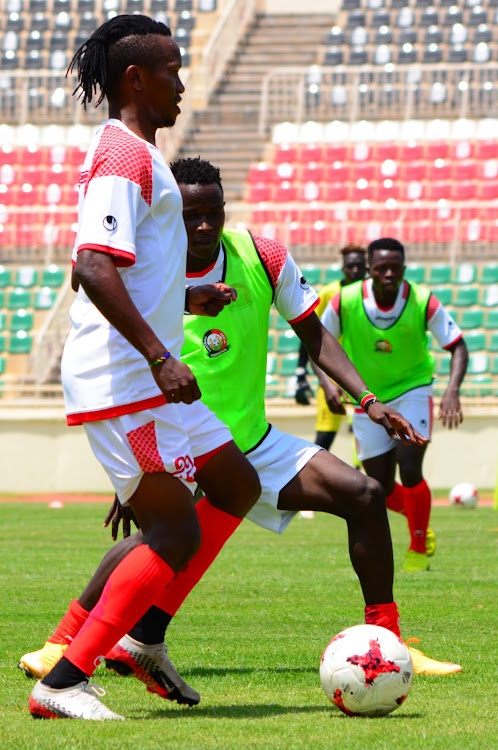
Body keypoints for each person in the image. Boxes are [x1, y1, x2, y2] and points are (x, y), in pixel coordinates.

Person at [21, 160, 462, 704]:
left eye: (213, 211)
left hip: (250, 443)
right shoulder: (148, 266)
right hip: (178, 435)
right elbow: (106, 325)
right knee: (157, 538)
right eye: (191, 215)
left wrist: (367, 400)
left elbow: (314, 335)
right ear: (169, 215)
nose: (203, 225)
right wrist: (128, 477)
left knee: (364, 494)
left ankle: (388, 638)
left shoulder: (262, 255)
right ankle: (64, 646)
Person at [27, 16, 262, 721]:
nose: (182, 84)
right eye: (172, 71)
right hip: (125, 378)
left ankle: (142, 640)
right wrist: (161, 354)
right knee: (173, 532)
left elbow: (104, 266)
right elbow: (92, 265)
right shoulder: (122, 154)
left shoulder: (140, 159)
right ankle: (66, 678)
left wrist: (183, 299)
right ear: (137, 78)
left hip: (142, 375)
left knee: (235, 482)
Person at [319, 237, 469, 573]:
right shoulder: (345, 301)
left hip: (413, 389)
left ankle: (417, 548)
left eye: (395, 267)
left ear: (404, 267)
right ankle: (419, 518)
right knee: (380, 486)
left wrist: (452, 391)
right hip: (366, 397)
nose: (389, 273)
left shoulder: (421, 300)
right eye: (381, 268)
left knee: (410, 463)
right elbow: (319, 342)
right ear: (369, 270)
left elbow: (457, 345)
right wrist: (327, 384)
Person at [294, 244, 367, 451]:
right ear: (342, 267)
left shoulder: (372, 295)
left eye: (360, 266)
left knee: (366, 438)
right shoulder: (329, 293)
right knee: (325, 438)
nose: (355, 271)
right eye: (350, 266)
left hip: (365, 376)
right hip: (333, 375)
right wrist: (303, 375)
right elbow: (309, 334)